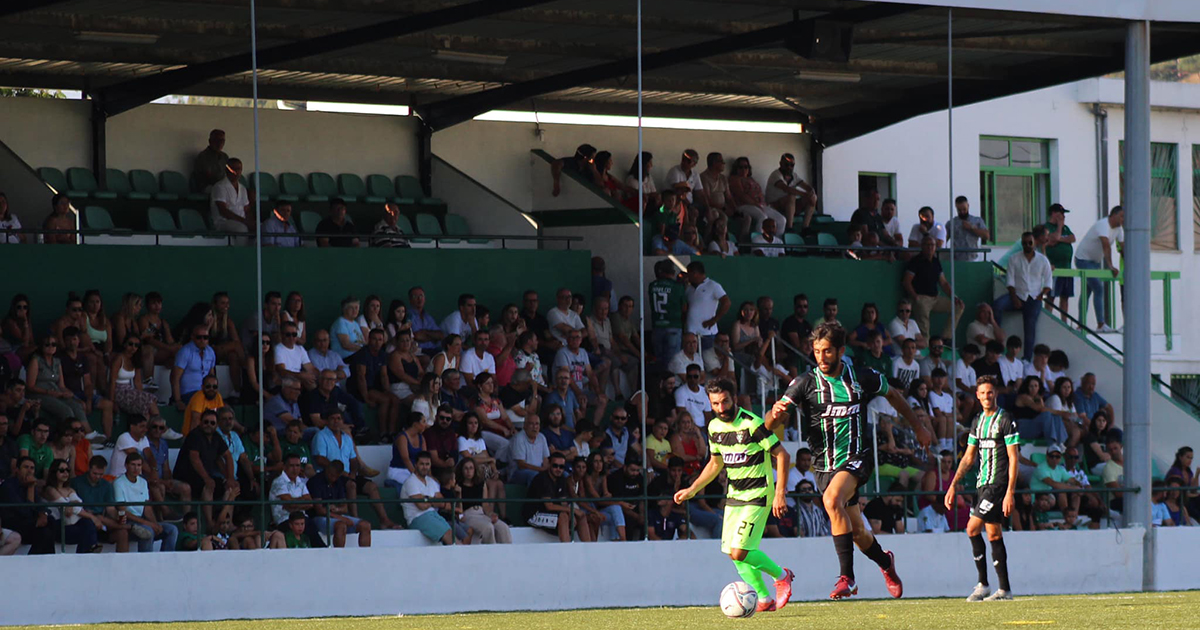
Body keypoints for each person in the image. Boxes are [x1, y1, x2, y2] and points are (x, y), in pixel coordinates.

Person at [767, 323, 924, 600]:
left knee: (831, 501)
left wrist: (919, 427)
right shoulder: (805, 383)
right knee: (858, 532)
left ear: (840, 351)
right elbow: (771, 423)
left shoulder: (861, 377)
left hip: (857, 458)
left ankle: (847, 578)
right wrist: (775, 414)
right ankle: (886, 562)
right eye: (816, 351)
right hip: (823, 466)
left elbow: (894, 396)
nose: (821, 357)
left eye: (827, 351)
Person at [674, 378, 794, 612]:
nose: (720, 408)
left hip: (758, 494)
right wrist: (692, 489)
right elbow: (715, 464)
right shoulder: (713, 427)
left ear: (734, 399)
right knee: (733, 554)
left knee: (741, 550)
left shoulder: (752, 423)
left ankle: (782, 576)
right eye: (715, 404)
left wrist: (780, 494)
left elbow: (782, 455)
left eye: (725, 401)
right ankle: (764, 598)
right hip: (735, 496)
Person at [945, 375, 1019, 601]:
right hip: (981, 484)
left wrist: (1010, 492)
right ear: (977, 396)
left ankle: (983, 584)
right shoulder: (977, 421)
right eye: (982, 393)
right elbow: (968, 457)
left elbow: (1013, 457)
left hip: (997, 485)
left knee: (971, 528)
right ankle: (1004, 589)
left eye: (990, 392)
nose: (987, 397)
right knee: (993, 533)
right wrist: (953, 485)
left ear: (995, 393)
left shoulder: (1005, 419)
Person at [994, 232, 1053, 361]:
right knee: (997, 305)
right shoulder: (1014, 259)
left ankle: (1026, 359)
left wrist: (1041, 296)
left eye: (1030, 242)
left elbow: (1048, 282)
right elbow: (1009, 282)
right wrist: (1014, 298)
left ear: (1034, 243)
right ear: (1021, 244)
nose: (1027, 245)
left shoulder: (1043, 260)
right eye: (1025, 243)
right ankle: (997, 345)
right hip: (1017, 295)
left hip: (1034, 298)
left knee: (1030, 327)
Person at [903, 235, 965, 341]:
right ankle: (925, 346)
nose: (930, 247)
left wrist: (954, 297)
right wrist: (916, 297)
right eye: (927, 245)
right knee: (924, 330)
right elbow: (906, 281)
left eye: (932, 245)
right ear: (922, 246)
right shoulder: (915, 261)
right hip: (921, 299)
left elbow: (944, 283)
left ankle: (946, 338)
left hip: (935, 299)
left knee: (958, 306)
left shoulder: (936, 262)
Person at [114, 452, 178, 551]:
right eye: (133, 465)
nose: (136, 468)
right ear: (126, 466)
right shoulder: (118, 483)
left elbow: (147, 507)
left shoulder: (143, 482)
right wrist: (149, 524)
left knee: (172, 530)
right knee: (147, 531)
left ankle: (166, 563)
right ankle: (145, 564)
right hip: (128, 523)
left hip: (142, 520)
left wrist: (155, 524)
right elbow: (123, 511)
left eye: (139, 465)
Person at [1074, 206, 1124, 332]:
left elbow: (1124, 248)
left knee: (1087, 292)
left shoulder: (1119, 229)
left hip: (1095, 262)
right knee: (1098, 288)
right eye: (1122, 216)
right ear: (1113, 215)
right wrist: (1111, 266)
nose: (1123, 219)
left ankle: (1081, 325)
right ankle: (1101, 324)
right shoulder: (1103, 225)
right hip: (1083, 259)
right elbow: (1106, 246)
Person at [307, 459, 372, 548]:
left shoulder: (339, 482)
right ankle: (338, 558)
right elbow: (319, 510)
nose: (331, 477)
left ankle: (365, 557)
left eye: (334, 476)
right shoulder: (316, 481)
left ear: (339, 475)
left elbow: (345, 508)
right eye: (330, 473)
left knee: (365, 525)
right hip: (319, 518)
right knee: (341, 525)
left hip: (336, 516)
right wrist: (341, 517)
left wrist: (337, 509)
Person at [26, 334, 87, 425]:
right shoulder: (36, 360)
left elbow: (61, 385)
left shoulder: (57, 361)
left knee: (77, 406)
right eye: (47, 344)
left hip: (56, 392)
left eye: (53, 344)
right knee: (66, 410)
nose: (51, 347)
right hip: (39, 394)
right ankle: (70, 435)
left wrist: (71, 395)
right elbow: (30, 386)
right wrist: (48, 392)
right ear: (41, 346)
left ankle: (88, 434)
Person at [401, 451, 456, 545]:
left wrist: (426, 498)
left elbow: (442, 503)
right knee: (448, 536)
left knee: (452, 535)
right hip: (417, 518)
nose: (425, 467)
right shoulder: (411, 482)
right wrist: (433, 499)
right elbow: (421, 505)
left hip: (433, 515)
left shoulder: (431, 481)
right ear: (415, 465)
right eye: (422, 464)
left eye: (427, 464)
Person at [764, 153, 816, 231]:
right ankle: (789, 227)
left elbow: (807, 187)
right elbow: (786, 189)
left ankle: (805, 228)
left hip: (789, 206)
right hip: (774, 206)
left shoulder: (794, 176)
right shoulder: (776, 175)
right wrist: (805, 194)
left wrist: (812, 193)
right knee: (791, 197)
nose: (789, 167)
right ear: (781, 164)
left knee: (813, 197)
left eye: (791, 165)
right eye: (786, 164)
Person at [686, 261, 730, 350]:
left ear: (695, 274)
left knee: (707, 360)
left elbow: (727, 302)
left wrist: (714, 320)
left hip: (706, 333)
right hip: (690, 333)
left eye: (689, 274)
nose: (687, 277)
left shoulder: (713, 285)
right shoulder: (688, 288)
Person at [171, 324, 216, 411]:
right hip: (188, 394)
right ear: (192, 337)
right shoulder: (185, 351)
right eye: (199, 337)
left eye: (205, 337)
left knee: (224, 408)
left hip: (206, 393)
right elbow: (175, 378)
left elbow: (212, 377)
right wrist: (178, 400)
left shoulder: (211, 352)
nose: (202, 340)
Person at [1043, 204, 1075, 314]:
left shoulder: (1066, 228)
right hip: (1055, 268)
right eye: (1061, 214)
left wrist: (1059, 239)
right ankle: (1048, 318)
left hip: (1067, 268)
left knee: (1065, 297)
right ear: (1054, 214)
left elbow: (1072, 238)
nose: (1063, 217)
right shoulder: (1047, 227)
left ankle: (1064, 322)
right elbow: (1053, 238)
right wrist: (1059, 227)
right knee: (1051, 296)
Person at [210, 158, 254, 234]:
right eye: (233, 169)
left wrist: (252, 222)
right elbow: (223, 211)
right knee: (241, 229)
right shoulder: (220, 186)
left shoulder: (242, 188)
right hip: (224, 222)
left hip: (242, 220)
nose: (235, 172)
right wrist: (244, 222)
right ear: (227, 170)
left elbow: (246, 209)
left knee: (260, 228)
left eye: (239, 169)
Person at [947, 196, 991, 262]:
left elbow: (986, 236)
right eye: (959, 210)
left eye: (964, 209)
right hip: (956, 260)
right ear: (956, 207)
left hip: (973, 258)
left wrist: (972, 228)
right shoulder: (951, 223)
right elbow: (944, 239)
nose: (962, 212)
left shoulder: (977, 221)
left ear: (968, 206)